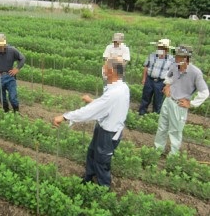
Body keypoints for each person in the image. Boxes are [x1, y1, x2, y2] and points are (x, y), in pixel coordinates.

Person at [53, 57, 130, 190]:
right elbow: (105, 106)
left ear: (111, 71)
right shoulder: (121, 86)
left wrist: (65, 117)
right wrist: (92, 101)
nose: (103, 69)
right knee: (92, 152)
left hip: (108, 133)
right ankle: (89, 177)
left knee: (102, 162)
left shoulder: (115, 93)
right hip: (103, 128)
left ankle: (103, 189)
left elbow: (89, 112)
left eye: (105, 67)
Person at [155, 45, 209, 155]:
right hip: (168, 100)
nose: (176, 58)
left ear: (186, 58)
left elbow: (205, 93)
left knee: (175, 132)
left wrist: (191, 103)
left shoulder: (195, 73)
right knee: (162, 127)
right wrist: (168, 86)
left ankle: (173, 156)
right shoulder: (174, 66)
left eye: (179, 56)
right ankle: (157, 150)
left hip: (179, 105)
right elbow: (168, 78)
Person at [138, 39, 174, 115]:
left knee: (158, 100)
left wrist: (168, 85)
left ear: (166, 50)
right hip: (149, 80)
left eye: (162, 48)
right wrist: (144, 78)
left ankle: (155, 114)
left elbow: (172, 73)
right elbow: (146, 67)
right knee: (146, 97)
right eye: (159, 48)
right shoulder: (152, 56)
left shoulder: (171, 60)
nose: (160, 49)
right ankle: (142, 112)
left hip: (161, 82)